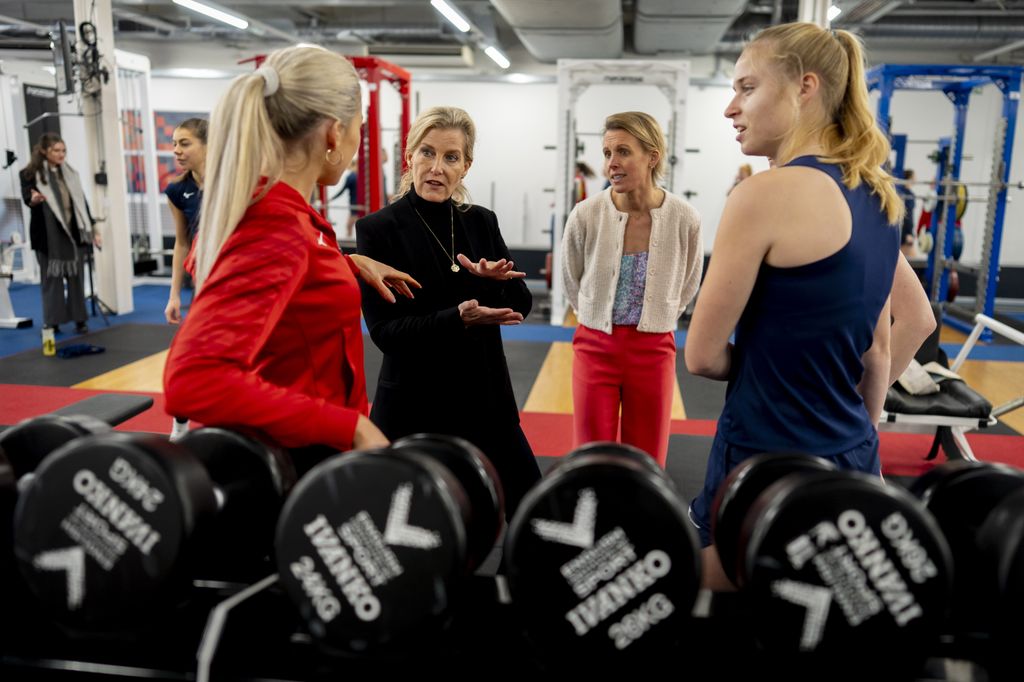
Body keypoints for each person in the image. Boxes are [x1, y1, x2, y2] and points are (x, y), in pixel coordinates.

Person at [683, 23, 909, 590]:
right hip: (854, 452)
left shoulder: (762, 195)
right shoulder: (880, 196)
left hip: (763, 452)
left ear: (805, 87)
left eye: (747, 88)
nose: (731, 108)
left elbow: (703, 357)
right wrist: (855, 432)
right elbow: (888, 346)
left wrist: (770, 368)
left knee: (723, 615)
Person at [163, 45, 419, 464]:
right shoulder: (275, 224)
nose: (359, 141)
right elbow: (193, 380)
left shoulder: (267, 205)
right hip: (291, 465)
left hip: (292, 456)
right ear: (335, 134)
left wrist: (344, 264)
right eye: (361, 127)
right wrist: (350, 427)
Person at [355, 106, 541, 516]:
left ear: (466, 166)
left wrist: (500, 282)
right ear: (410, 157)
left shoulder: (481, 223)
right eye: (427, 153)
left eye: (451, 157)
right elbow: (386, 333)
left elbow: (521, 304)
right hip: (413, 403)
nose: (436, 168)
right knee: (409, 520)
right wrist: (456, 318)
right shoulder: (378, 229)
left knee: (533, 508)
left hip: (484, 397)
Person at [561, 111, 703, 468]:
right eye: (607, 154)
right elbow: (570, 277)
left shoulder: (684, 218)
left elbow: (689, 281)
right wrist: (592, 315)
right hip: (595, 345)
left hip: (653, 347)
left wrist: (663, 315)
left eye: (623, 151)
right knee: (591, 455)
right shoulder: (586, 213)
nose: (612, 163)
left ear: (652, 156)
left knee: (647, 457)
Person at [19, 133, 101, 336]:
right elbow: (27, 196)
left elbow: (82, 203)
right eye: (56, 150)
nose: (61, 154)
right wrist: (34, 199)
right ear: (45, 152)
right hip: (47, 238)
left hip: (74, 235)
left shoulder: (70, 173)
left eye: (63, 150)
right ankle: (52, 322)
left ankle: (80, 320)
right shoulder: (30, 174)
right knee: (51, 281)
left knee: (76, 279)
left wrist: (92, 229)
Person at [164, 118, 207, 325]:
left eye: (184, 143)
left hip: (238, 277)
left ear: (207, 145)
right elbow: (182, 243)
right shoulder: (177, 190)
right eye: (174, 144)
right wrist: (174, 296)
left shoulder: (236, 184)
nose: (176, 150)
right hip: (202, 280)